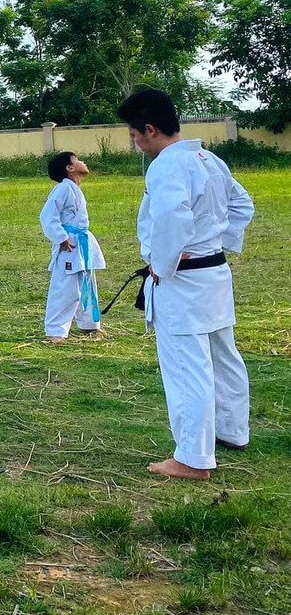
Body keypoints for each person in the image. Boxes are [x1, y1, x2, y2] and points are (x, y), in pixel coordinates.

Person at [119, 89, 255, 480]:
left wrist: (162, 265)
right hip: (214, 273)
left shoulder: (165, 166)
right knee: (224, 356)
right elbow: (242, 205)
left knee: (185, 366)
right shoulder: (209, 159)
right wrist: (215, 243)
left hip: (183, 279)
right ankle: (232, 431)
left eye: (135, 135)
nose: (136, 143)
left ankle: (192, 458)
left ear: (150, 129)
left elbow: (172, 220)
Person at [39, 152, 106, 343]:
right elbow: (47, 215)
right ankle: (55, 331)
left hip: (81, 241)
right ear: (70, 168)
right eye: (78, 160)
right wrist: (60, 237)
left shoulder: (73, 188)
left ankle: (89, 324)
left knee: (87, 282)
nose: (83, 162)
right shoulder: (63, 189)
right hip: (69, 244)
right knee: (65, 287)